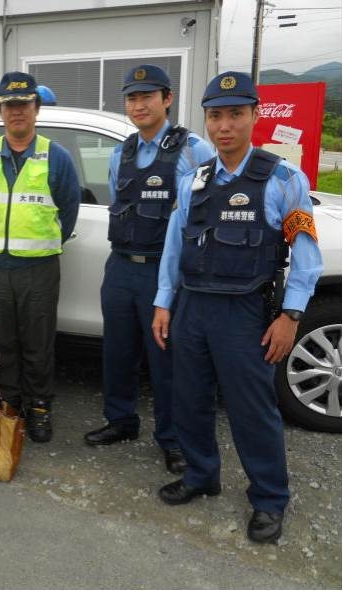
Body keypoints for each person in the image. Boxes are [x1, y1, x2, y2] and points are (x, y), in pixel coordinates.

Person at [151, 72, 322, 543]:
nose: (224, 125)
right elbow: (173, 249)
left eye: (235, 114)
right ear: (206, 119)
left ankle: (269, 498)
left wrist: (291, 316)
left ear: (254, 115)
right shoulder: (192, 182)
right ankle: (202, 475)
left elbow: (306, 254)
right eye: (215, 115)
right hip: (193, 308)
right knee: (190, 400)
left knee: (252, 409)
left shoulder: (284, 179)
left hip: (245, 313)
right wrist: (164, 303)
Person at [84, 65, 214, 475]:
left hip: (165, 273)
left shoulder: (194, 150)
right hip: (120, 266)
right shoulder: (120, 152)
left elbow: (206, 216)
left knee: (166, 360)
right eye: (131, 98)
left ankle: (173, 440)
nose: (138, 105)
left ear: (167, 99)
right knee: (117, 352)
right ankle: (121, 421)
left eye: (147, 97)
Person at [0, 71, 81, 443]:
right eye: (10, 105)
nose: (17, 112)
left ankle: (40, 407)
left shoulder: (56, 157)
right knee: (1, 341)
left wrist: (34, 243)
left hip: (38, 269)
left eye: (24, 105)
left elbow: (68, 211)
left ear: (36, 108)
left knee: (38, 342)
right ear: (0, 110)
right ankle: (10, 403)